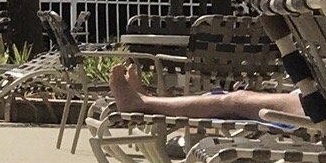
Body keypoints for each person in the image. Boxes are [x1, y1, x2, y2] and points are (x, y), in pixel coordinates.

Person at [106, 61, 306, 125]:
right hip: (319, 103)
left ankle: (144, 102)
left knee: (233, 101)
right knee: (230, 100)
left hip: (319, 109)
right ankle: (147, 100)